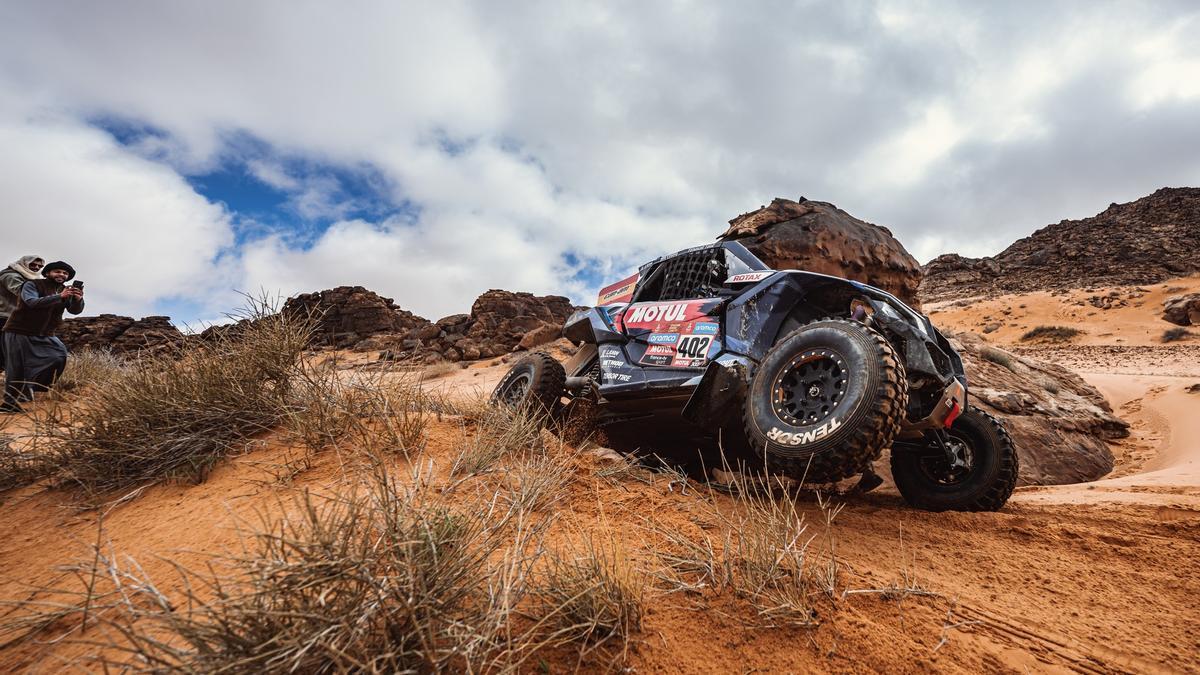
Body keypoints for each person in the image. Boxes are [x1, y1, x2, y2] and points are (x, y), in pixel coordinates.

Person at [2, 261, 84, 413]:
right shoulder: (32, 284)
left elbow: (74, 311)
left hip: (46, 334)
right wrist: (60, 296)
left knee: (59, 355)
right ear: (47, 273)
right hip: (19, 330)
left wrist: (78, 300)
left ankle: (31, 388)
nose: (61, 275)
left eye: (65, 273)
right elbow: (31, 302)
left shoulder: (65, 290)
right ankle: (9, 404)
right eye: (57, 271)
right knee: (16, 368)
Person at [0, 255, 45, 374]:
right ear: (24, 263)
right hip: (4, 315)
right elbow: (22, 292)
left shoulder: (30, 277)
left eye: (40, 266)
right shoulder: (11, 276)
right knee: (5, 348)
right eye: (33, 265)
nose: (36, 268)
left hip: (16, 316)